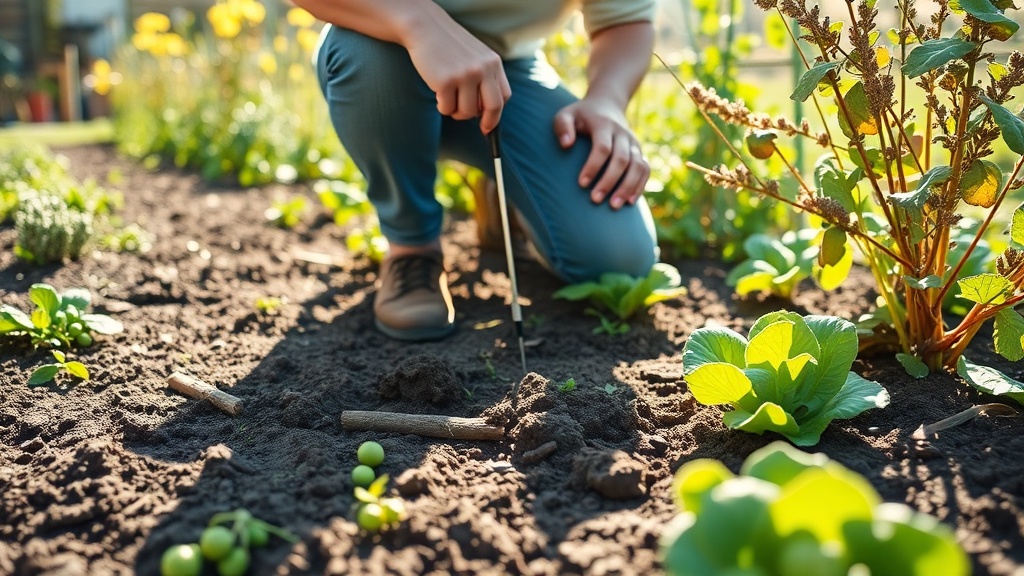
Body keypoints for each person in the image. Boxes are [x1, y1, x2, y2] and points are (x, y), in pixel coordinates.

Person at [294, 0, 660, 341]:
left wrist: (606, 100)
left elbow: (625, 20)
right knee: (370, 56)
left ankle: (502, 193)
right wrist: (419, 22)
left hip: (509, 78)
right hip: (381, 48)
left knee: (618, 261)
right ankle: (412, 248)